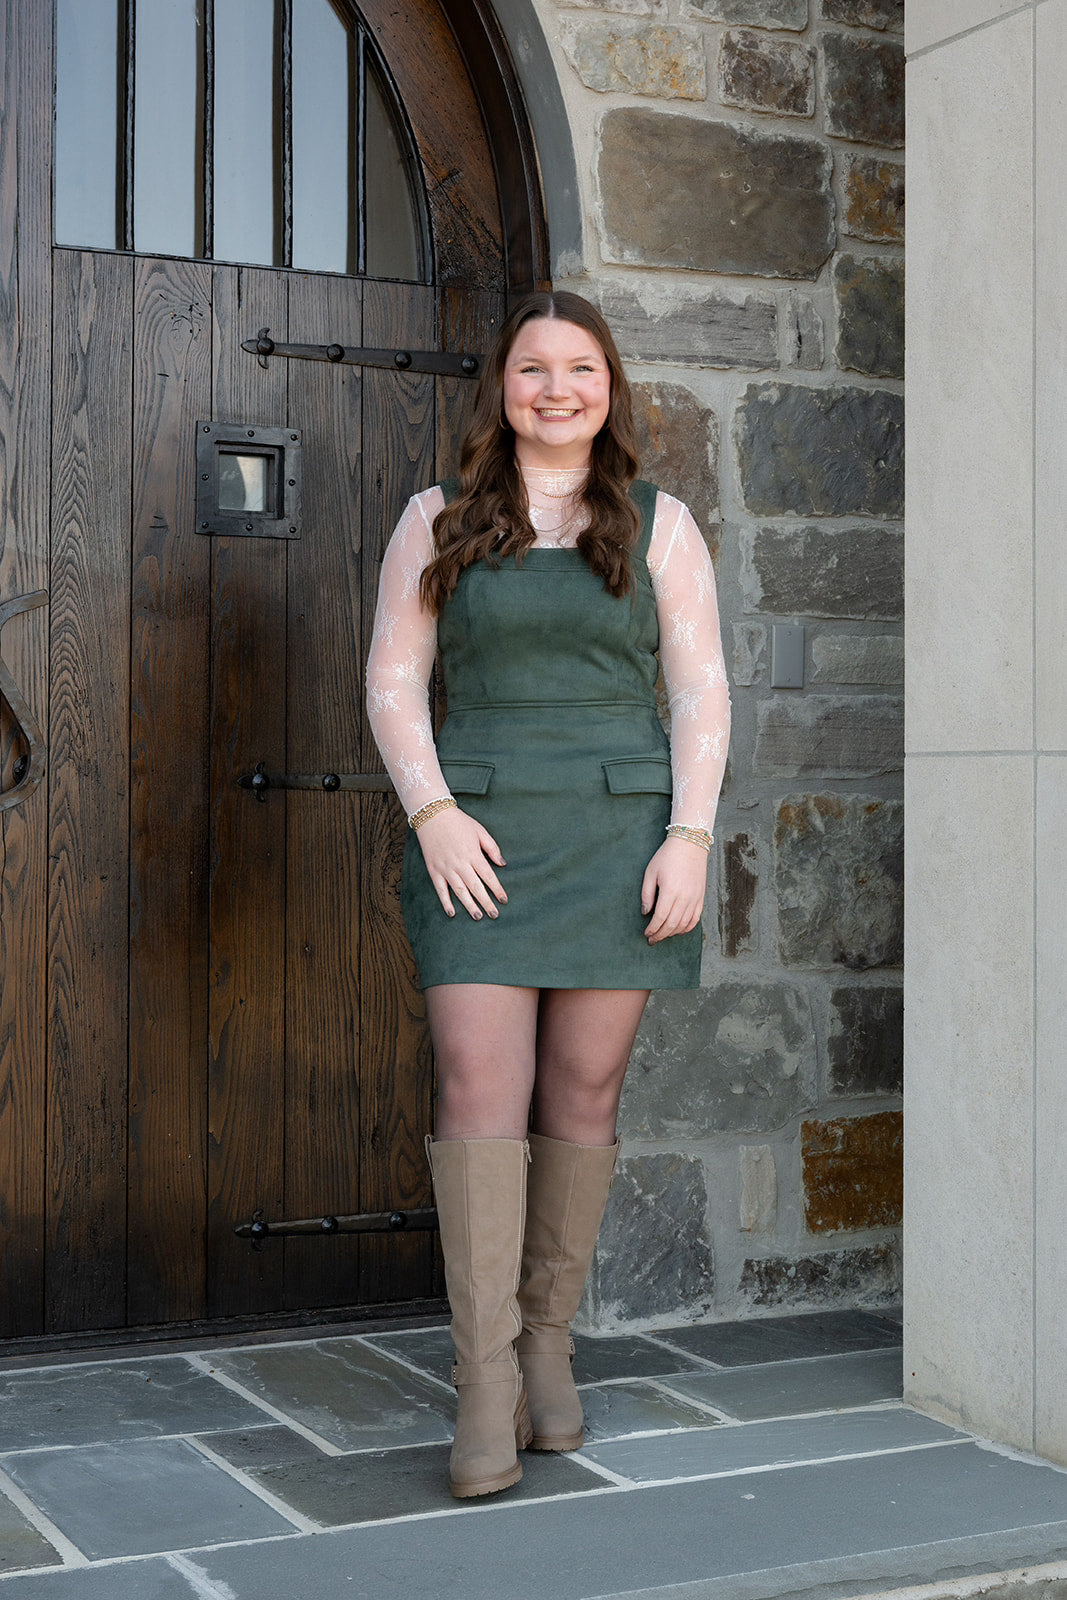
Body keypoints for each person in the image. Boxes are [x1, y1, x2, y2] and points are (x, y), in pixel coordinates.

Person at [366, 290, 730, 1499]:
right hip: (477, 834)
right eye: (533, 369)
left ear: (608, 388)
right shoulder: (435, 519)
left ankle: (547, 1344)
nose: (557, 388)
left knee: (583, 1089)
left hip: (621, 834)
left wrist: (687, 836)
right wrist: (432, 815)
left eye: (580, 368)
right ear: (503, 390)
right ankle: (482, 1381)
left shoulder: (662, 525)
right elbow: (392, 685)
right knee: (481, 1084)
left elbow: (699, 697)